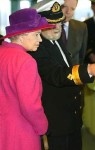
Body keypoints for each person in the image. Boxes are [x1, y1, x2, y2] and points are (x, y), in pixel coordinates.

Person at [28, 2, 95, 150]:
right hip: (57, 120)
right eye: (51, 25)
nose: (57, 28)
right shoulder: (37, 48)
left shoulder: (57, 40)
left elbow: (69, 69)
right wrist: (89, 70)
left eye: (59, 23)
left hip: (71, 117)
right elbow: (57, 75)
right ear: (40, 26)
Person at [0, 8, 55, 150]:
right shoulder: (25, 61)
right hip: (21, 133)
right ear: (22, 35)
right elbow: (30, 106)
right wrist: (43, 127)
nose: (40, 39)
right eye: (37, 34)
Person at [61, 0, 88, 65]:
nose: (68, 12)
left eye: (72, 9)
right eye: (64, 7)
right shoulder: (46, 26)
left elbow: (82, 56)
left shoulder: (81, 27)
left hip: (72, 72)